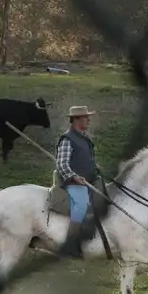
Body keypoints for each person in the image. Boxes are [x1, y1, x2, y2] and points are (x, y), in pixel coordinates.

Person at [55, 105, 99, 258]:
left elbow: (87, 160)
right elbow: (62, 164)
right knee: (81, 204)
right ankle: (70, 244)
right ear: (76, 120)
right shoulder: (68, 139)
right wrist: (74, 176)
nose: (88, 120)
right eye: (86, 117)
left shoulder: (84, 138)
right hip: (73, 183)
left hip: (89, 181)